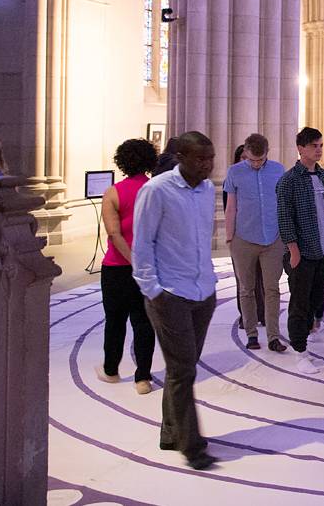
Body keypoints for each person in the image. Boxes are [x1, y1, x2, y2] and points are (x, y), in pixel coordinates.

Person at [131, 131, 219, 471]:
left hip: (202, 292)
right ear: (180, 156)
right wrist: (154, 291)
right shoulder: (156, 190)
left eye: (211, 158)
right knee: (183, 370)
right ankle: (192, 446)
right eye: (200, 158)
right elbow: (142, 244)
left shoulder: (208, 190)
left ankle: (171, 433)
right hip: (171, 295)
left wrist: (209, 280)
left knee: (183, 368)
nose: (208, 165)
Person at [95, 138, 158, 395]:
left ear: (121, 161)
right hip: (149, 267)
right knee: (144, 323)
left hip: (117, 267)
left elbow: (114, 234)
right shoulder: (156, 190)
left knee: (115, 321)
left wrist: (132, 261)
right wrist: (143, 263)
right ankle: (142, 378)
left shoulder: (113, 192)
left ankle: (111, 370)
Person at [276, 127, 324, 375]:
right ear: (300, 148)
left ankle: (310, 330)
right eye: (314, 145)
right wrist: (293, 249)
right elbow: (284, 217)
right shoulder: (289, 180)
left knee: (315, 299)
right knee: (299, 302)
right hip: (302, 252)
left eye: (321, 145)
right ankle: (300, 351)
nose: (319, 149)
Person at [223, 133, 286, 352]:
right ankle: (251, 334)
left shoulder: (278, 170)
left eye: (261, 160)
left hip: (273, 237)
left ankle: (273, 337)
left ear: (267, 154)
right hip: (243, 237)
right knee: (246, 289)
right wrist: (230, 237)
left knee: (272, 289)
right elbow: (230, 206)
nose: (257, 164)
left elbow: (283, 203)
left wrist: (286, 235)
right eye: (252, 160)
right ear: (246, 154)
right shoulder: (234, 172)